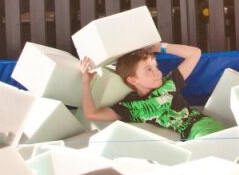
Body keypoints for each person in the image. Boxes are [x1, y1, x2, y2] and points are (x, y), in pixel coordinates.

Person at [79, 42, 224, 139]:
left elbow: (195, 53)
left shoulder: (169, 84)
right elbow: (92, 114)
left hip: (203, 127)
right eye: (149, 69)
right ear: (133, 80)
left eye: (155, 66)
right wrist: (86, 82)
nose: (157, 72)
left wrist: (158, 47)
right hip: (188, 138)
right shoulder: (130, 107)